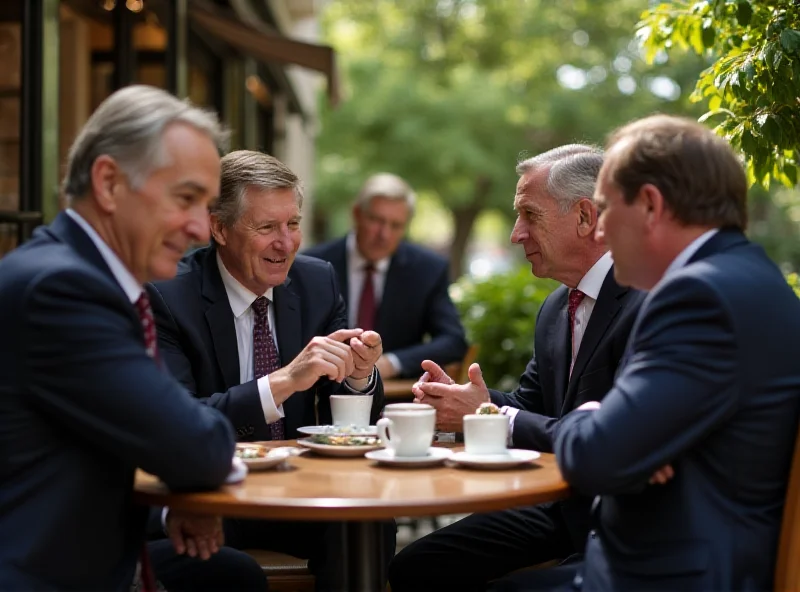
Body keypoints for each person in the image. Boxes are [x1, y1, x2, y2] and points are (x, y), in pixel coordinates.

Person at [493, 115, 800, 592]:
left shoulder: (698, 298)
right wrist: (618, 435)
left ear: (651, 206)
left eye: (606, 208)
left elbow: (598, 456)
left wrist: (596, 420)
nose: (600, 233)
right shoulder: (745, 277)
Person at [0, 85, 265, 591]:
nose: (198, 228)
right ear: (109, 183)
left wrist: (169, 513)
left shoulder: (76, 273)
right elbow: (197, 444)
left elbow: (91, 459)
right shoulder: (64, 290)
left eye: (206, 205)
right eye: (185, 198)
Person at [388, 145, 645, 592]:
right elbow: (531, 408)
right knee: (413, 567)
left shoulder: (645, 299)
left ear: (585, 218)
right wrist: (467, 404)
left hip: (622, 516)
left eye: (529, 214)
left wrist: (490, 415)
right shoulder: (555, 307)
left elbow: (610, 436)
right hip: (558, 507)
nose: (515, 234)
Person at [147, 150, 392, 591]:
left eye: (293, 224)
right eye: (266, 228)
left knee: (368, 525)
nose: (286, 243)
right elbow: (178, 422)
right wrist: (281, 383)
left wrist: (358, 374)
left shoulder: (318, 282)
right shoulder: (169, 297)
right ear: (218, 228)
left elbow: (355, 424)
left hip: (299, 491)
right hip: (213, 495)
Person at [304, 173, 467, 379]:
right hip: (321, 391)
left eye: (396, 225)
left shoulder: (428, 270)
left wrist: (392, 363)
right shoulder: (313, 265)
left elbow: (453, 341)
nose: (384, 234)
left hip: (394, 398)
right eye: (376, 220)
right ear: (356, 214)